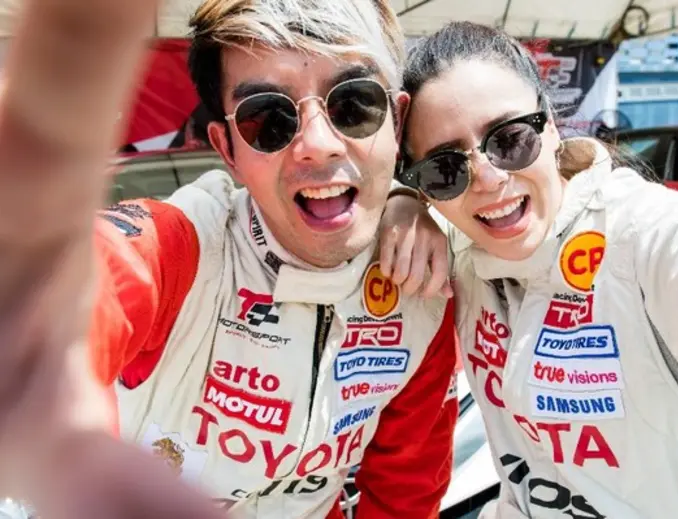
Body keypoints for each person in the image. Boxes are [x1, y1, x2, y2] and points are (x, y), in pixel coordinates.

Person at [0, 0, 458, 518]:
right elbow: (84, 288)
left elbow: (404, 498)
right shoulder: (179, 248)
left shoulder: (423, 284)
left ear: (396, 121)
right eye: (268, 119)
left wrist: (408, 200)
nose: (317, 144)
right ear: (227, 150)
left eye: (353, 105)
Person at [380, 21, 678, 519]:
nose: (488, 178)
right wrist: (400, 203)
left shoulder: (652, 239)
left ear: (550, 125)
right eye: (445, 168)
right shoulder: (456, 244)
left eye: (510, 139)